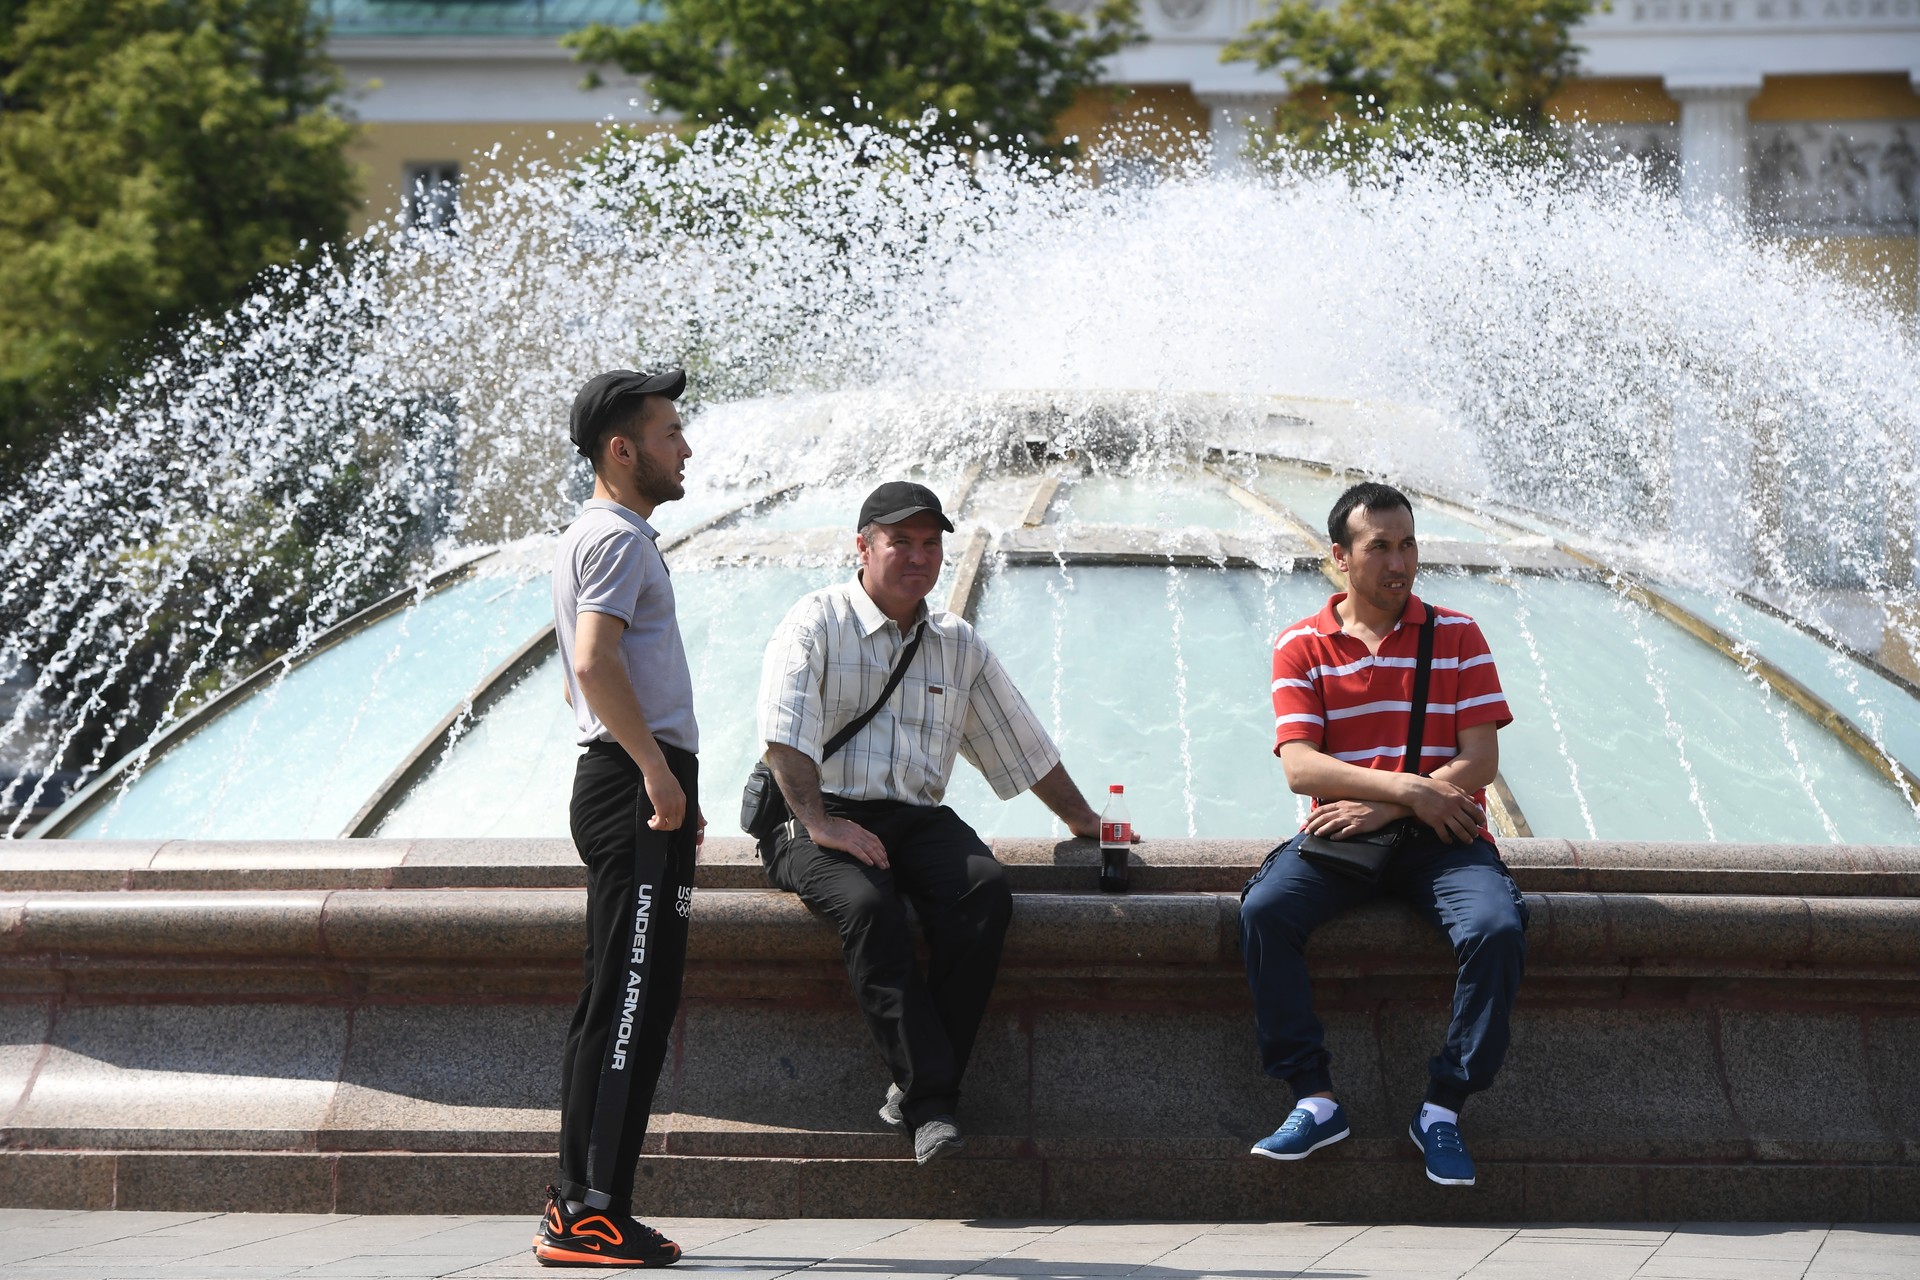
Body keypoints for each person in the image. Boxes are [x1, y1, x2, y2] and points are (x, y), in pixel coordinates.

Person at [755, 480, 1132, 1165]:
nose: (919, 557)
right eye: (901, 541)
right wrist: (821, 823)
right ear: (863, 547)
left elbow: (1022, 748)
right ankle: (931, 1101)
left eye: (931, 544)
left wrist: (1088, 821)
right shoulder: (814, 622)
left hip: (913, 816)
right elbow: (782, 740)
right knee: (870, 908)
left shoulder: (957, 644)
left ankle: (917, 1084)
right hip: (811, 809)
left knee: (983, 889)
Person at [1239, 481, 1527, 1187]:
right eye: (1380, 548)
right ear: (1340, 557)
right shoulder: (1302, 645)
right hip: (1345, 837)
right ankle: (1314, 1096)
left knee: (1496, 929)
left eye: (1408, 546)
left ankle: (1442, 1109)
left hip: (1445, 838)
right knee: (1263, 912)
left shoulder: (1456, 635)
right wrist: (1403, 789)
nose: (1399, 564)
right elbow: (1301, 769)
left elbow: (1482, 760)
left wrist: (1391, 807)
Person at [536, 369, 701, 1267]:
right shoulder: (617, 541)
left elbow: (577, 671)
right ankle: (587, 1212)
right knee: (631, 997)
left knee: (625, 991)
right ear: (621, 449)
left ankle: (588, 1204)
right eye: (670, 432)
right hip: (631, 782)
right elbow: (596, 665)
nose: (686, 448)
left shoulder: (594, 538)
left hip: (632, 780)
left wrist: (669, 778)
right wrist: (654, 773)